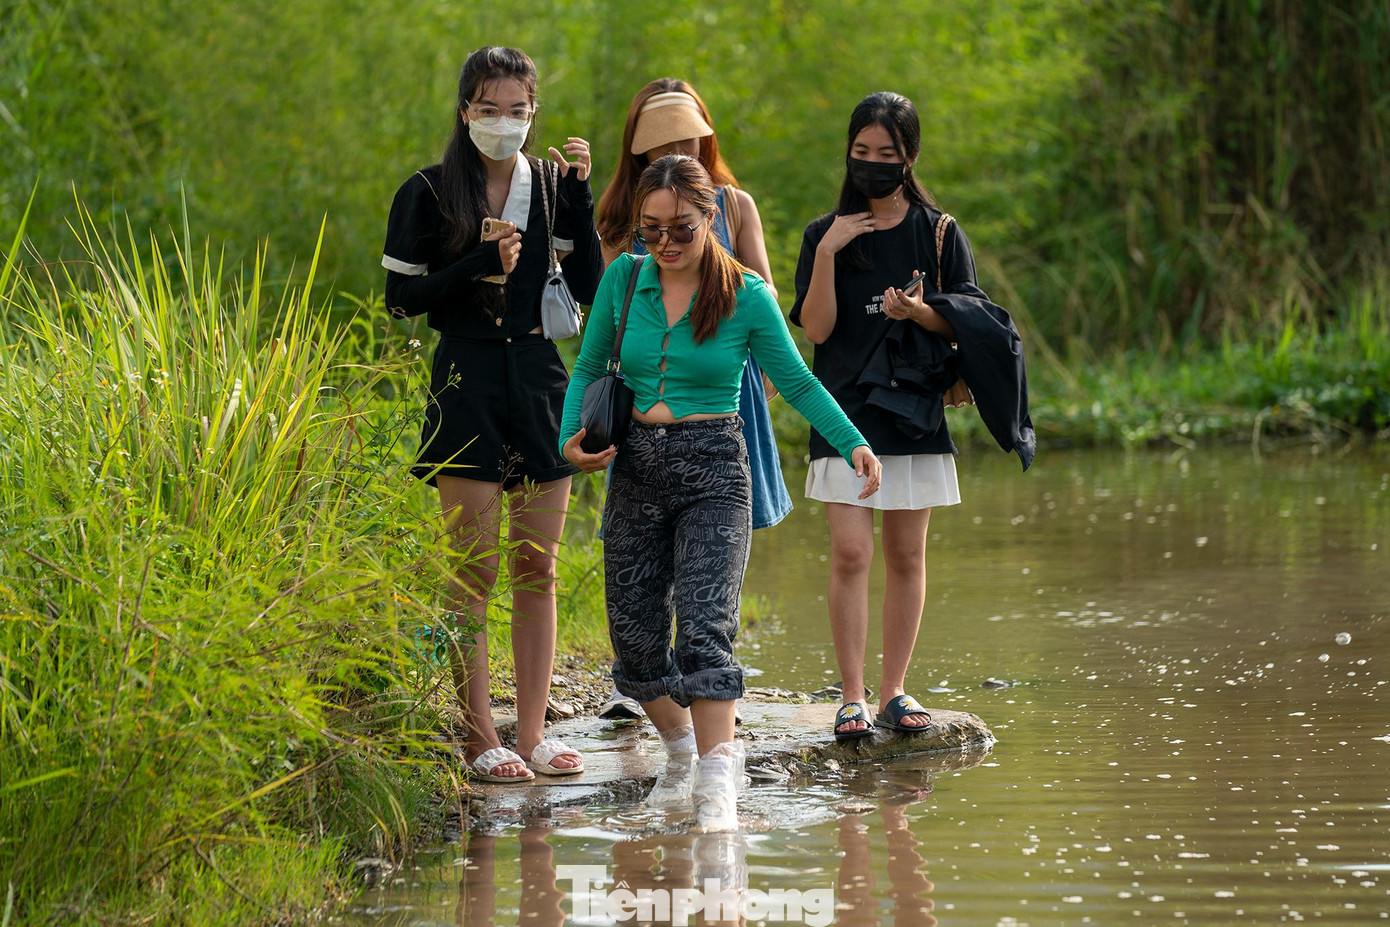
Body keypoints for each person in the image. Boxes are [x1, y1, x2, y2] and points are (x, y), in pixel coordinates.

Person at [560, 155, 882, 831]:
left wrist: (852, 441)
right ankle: (682, 750)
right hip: (635, 465)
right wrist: (570, 441)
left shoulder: (746, 295)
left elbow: (797, 382)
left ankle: (716, 781)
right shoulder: (624, 279)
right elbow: (588, 365)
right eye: (651, 229)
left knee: (705, 630)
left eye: (681, 228)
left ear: (711, 218)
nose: (665, 243)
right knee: (635, 642)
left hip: (715, 468)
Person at [381, 46, 602, 783]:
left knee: (538, 566)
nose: (503, 121)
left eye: (517, 109)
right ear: (464, 110)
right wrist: (479, 263)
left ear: (533, 113)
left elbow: (591, 286)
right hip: (466, 377)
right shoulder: (427, 190)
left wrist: (581, 199)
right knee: (472, 569)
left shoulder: (550, 185)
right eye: (488, 108)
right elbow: (402, 299)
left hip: (539, 376)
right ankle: (480, 736)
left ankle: (533, 732)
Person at [593, 78, 793, 722]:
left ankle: (706, 676)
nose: (676, 152)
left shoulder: (733, 204)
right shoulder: (622, 220)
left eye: (687, 140)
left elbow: (762, 283)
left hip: (727, 377)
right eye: (661, 144)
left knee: (716, 547)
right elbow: (609, 325)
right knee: (643, 559)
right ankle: (654, 681)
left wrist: (761, 354)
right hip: (647, 398)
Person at [790, 91, 982, 743]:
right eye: (861, 151)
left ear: (909, 157)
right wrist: (827, 252)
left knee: (906, 554)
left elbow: (970, 323)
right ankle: (852, 696)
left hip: (914, 407)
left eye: (886, 153)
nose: (871, 163)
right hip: (842, 409)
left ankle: (894, 689)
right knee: (851, 553)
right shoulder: (824, 233)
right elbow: (817, 329)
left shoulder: (939, 231)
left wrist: (919, 312)